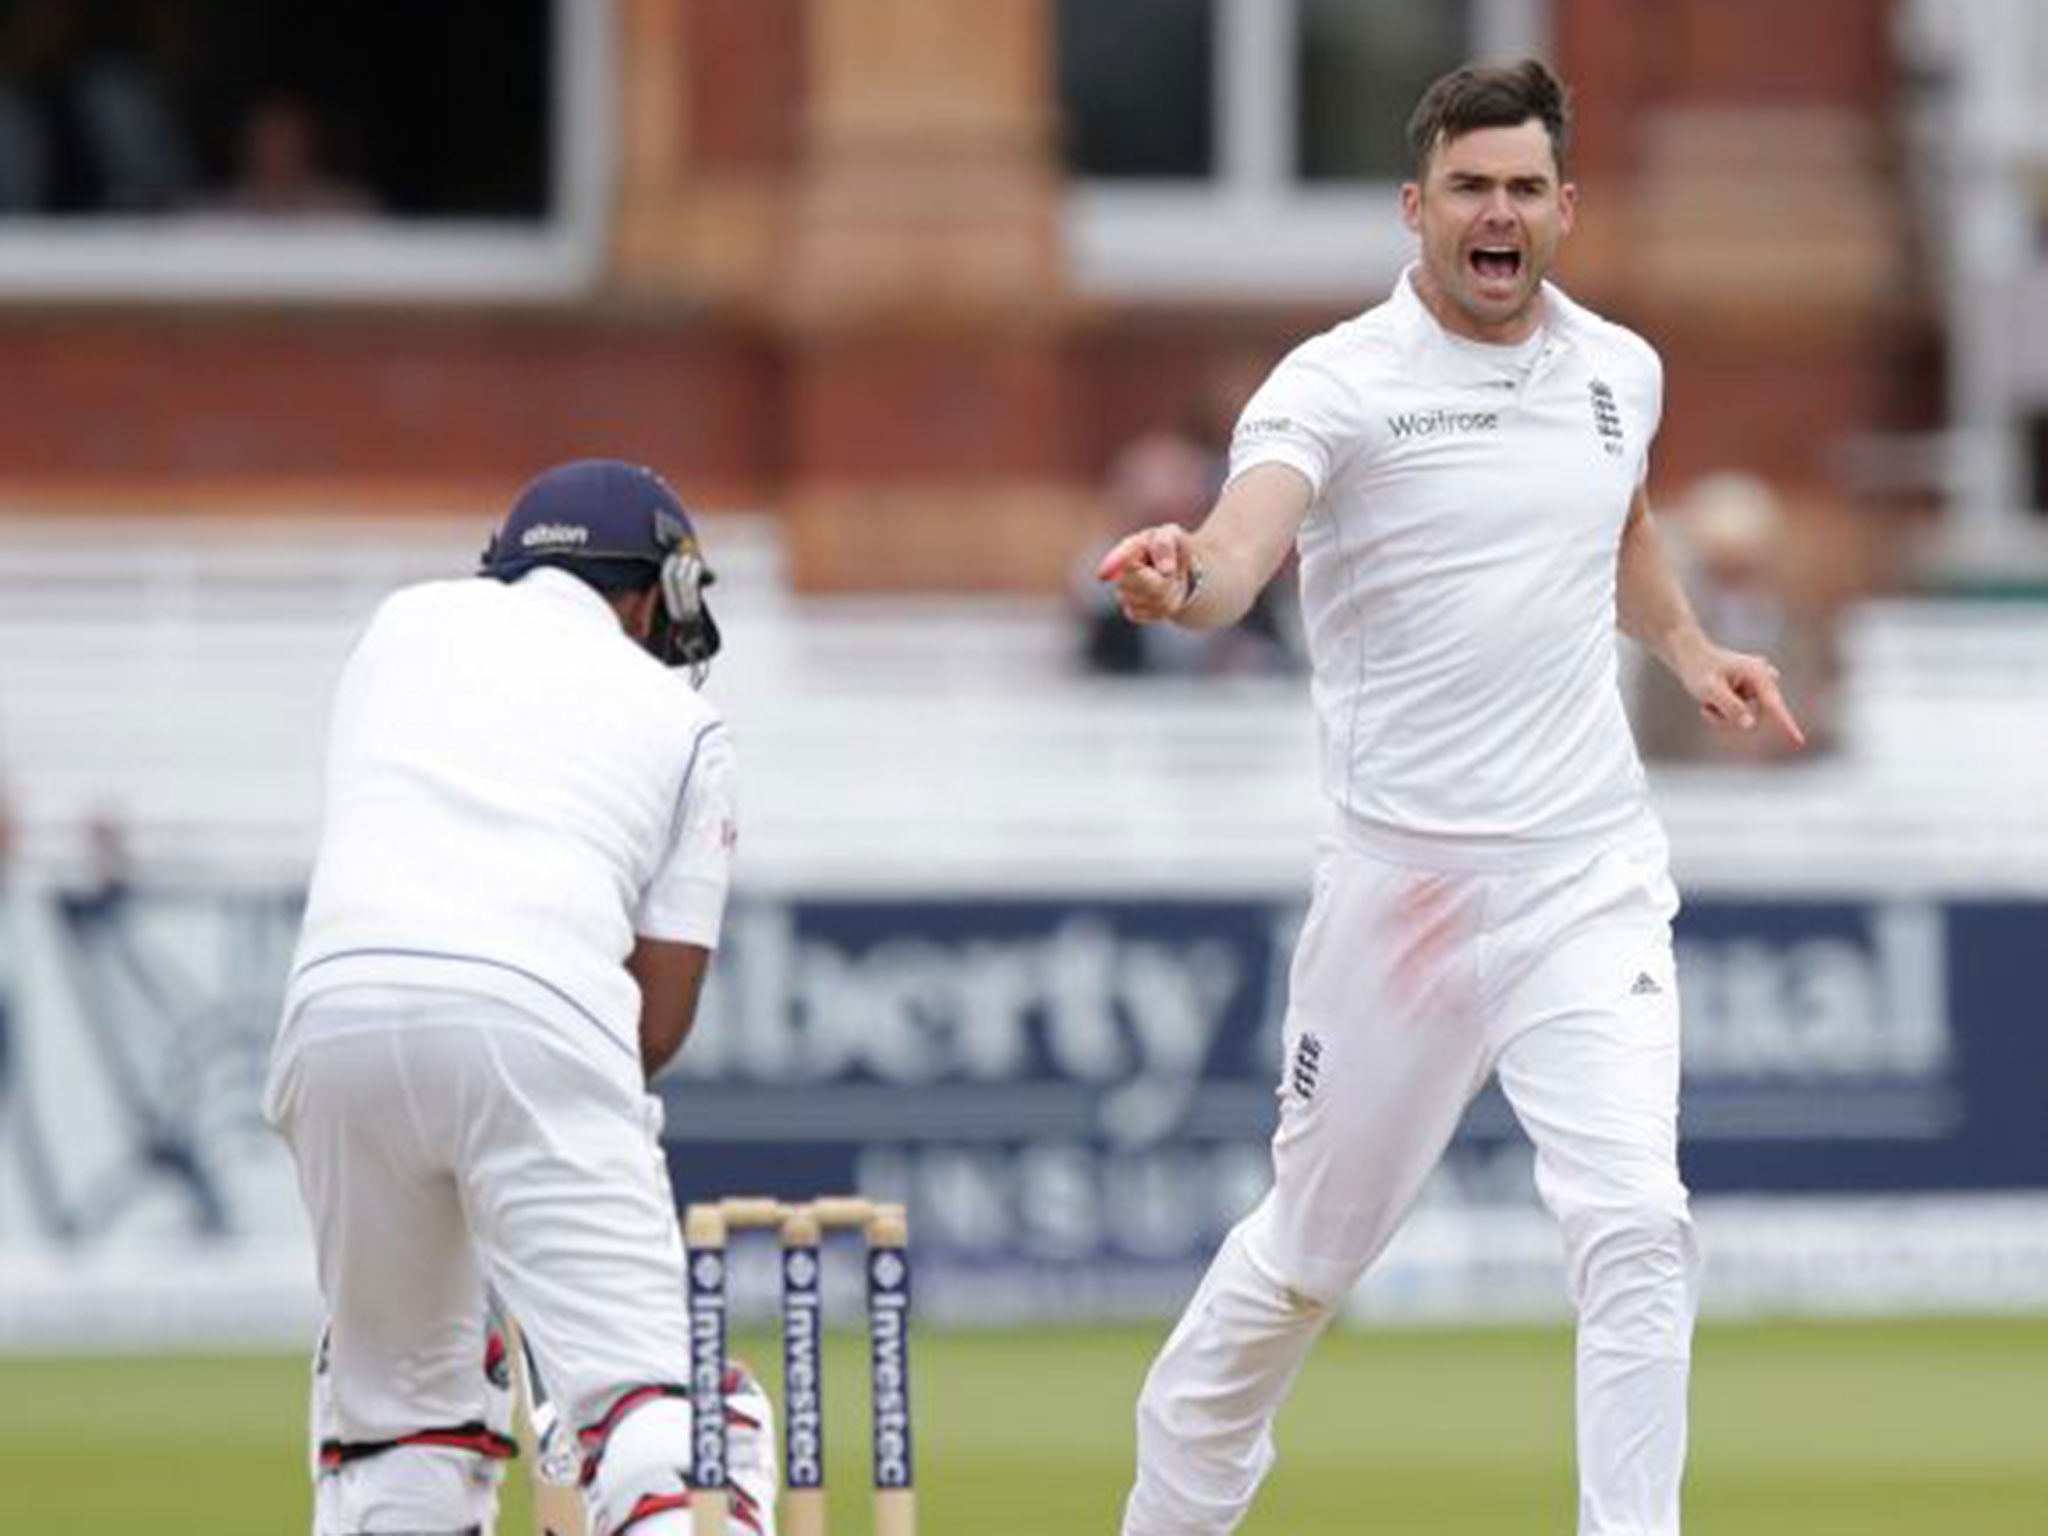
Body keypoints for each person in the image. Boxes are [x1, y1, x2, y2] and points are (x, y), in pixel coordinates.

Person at [1100, 60, 1804, 1536]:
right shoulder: (1339, 383)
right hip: (1402, 897)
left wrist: (1686, 647)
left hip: (1584, 877)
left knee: (1636, 1227)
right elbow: (1242, 549)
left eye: (1526, 190)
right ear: (1417, 211)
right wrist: (1186, 585)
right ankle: (1176, 1496)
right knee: (1309, 1258)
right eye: (1471, 190)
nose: (1500, 216)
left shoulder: (1620, 370)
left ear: (1566, 210)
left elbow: (1618, 522)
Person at [263, 460, 777, 1535]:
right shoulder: (686, 728)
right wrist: (535, 1150)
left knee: (400, 1432)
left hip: (332, 1016)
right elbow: (656, 1026)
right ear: (657, 594)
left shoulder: (398, 628)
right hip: (539, 1015)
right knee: (664, 1423)